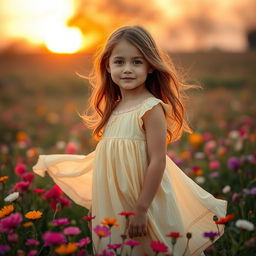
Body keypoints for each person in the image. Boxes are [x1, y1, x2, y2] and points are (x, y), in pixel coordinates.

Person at [32, 25, 227, 256]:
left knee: (150, 249)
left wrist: (142, 209)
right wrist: (97, 203)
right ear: (107, 65)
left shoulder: (151, 108)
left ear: (151, 66)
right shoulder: (113, 109)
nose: (127, 69)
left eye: (136, 62)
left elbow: (157, 161)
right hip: (114, 204)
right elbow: (107, 162)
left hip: (144, 202)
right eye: (119, 62)